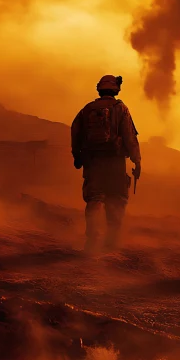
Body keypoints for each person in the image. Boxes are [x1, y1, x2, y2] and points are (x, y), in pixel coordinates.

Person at [71, 75, 141, 253]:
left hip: (92, 162)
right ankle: (111, 241)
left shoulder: (87, 109)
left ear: (99, 89)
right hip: (115, 161)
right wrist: (136, 159)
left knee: (94, 199)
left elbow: (75, 132)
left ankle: (92, 241)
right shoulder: (120, 109)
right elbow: (129, 137)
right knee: (116, 199)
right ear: (116, 89)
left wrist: (77, 156)